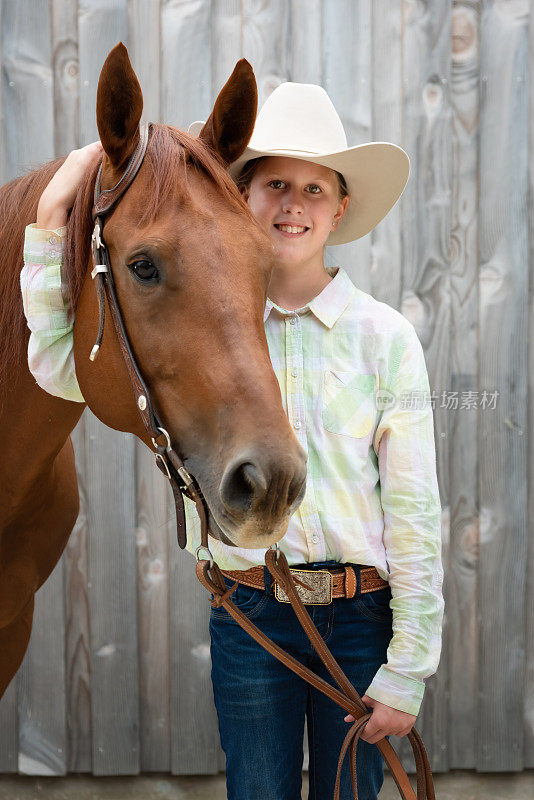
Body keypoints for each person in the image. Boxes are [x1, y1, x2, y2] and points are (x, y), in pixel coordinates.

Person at [21, 81, 444, 800]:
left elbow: (414, 510)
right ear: (239, 195)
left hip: (359, 616)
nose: (293, 204)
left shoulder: (385, 339)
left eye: (315, 189)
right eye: (275, 182)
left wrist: (409, 665)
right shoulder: (210, 325)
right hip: (251, 614)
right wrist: (48, 222)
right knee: (256, 791)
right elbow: (62, 368)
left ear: (340, 209)